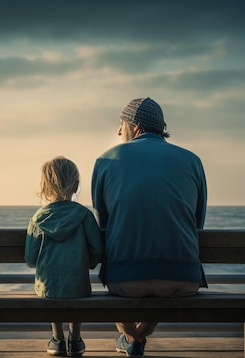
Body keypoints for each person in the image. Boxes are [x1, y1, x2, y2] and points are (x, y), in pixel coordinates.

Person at [91, 97, 208, 357]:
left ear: (135, 127)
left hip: (124, 282)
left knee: (124, 270)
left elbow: (104, 227)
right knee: (162, 280)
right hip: (183, 280)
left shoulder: (106, 160)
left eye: (121, 125)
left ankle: (133, 337)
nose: (118, 132)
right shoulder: (192, 160)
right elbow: (197, 224)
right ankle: (137, 339)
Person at [25, 156, 104, 357]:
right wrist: (89, 262)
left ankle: (57, 339)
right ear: (76, 184)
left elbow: (30, 259)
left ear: (45, 186)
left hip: (48, 286)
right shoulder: (84, 215)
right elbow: (97, 249)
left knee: (52, 290)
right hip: (78, 283)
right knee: (75, 291)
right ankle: (75, 339)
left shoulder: (38, 218)